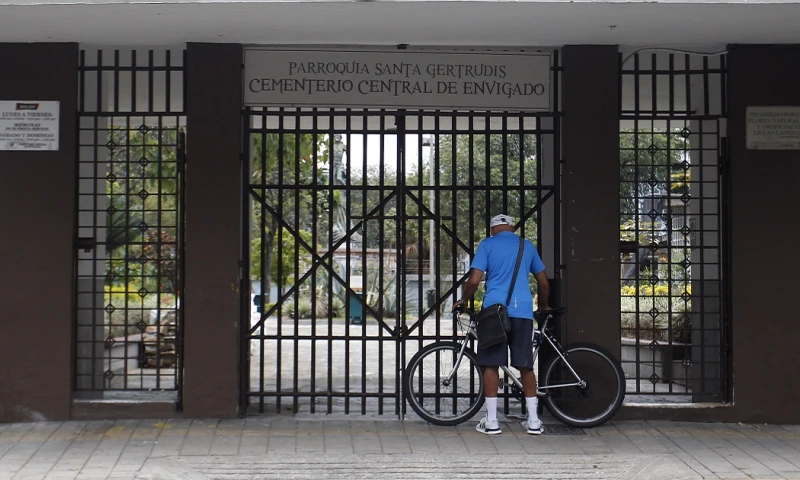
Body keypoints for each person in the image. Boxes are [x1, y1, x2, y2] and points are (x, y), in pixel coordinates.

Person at [452, 214, 551, 436]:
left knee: (491, 365)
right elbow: (543, 283)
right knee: (526, 366)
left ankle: (492, 421)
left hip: (494, 312)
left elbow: (475, 280)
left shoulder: (487, 245)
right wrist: (543, 306)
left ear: (493, 229)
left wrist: (464, 300)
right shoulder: (527, 246)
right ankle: (534, 421)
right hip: (523, 312)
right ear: (513, 228)